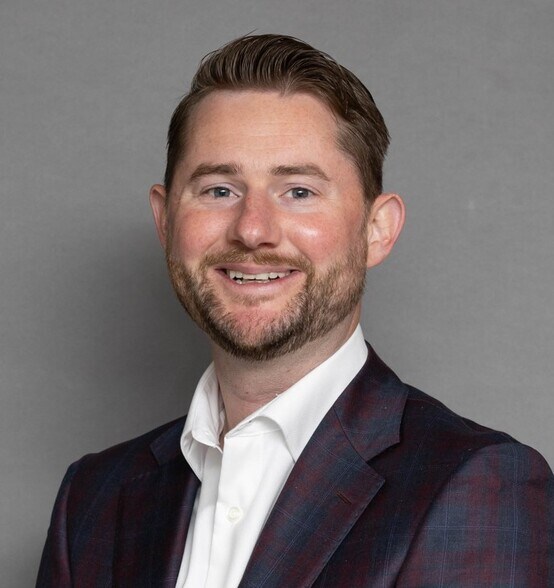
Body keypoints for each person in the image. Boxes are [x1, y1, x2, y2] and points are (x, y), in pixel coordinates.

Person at [36, 34, 553, 587]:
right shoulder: (92, 498)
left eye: (299, 191)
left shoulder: (477, 485)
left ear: (377, 230)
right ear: (165, 222)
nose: (252, 230)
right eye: (218, 190)